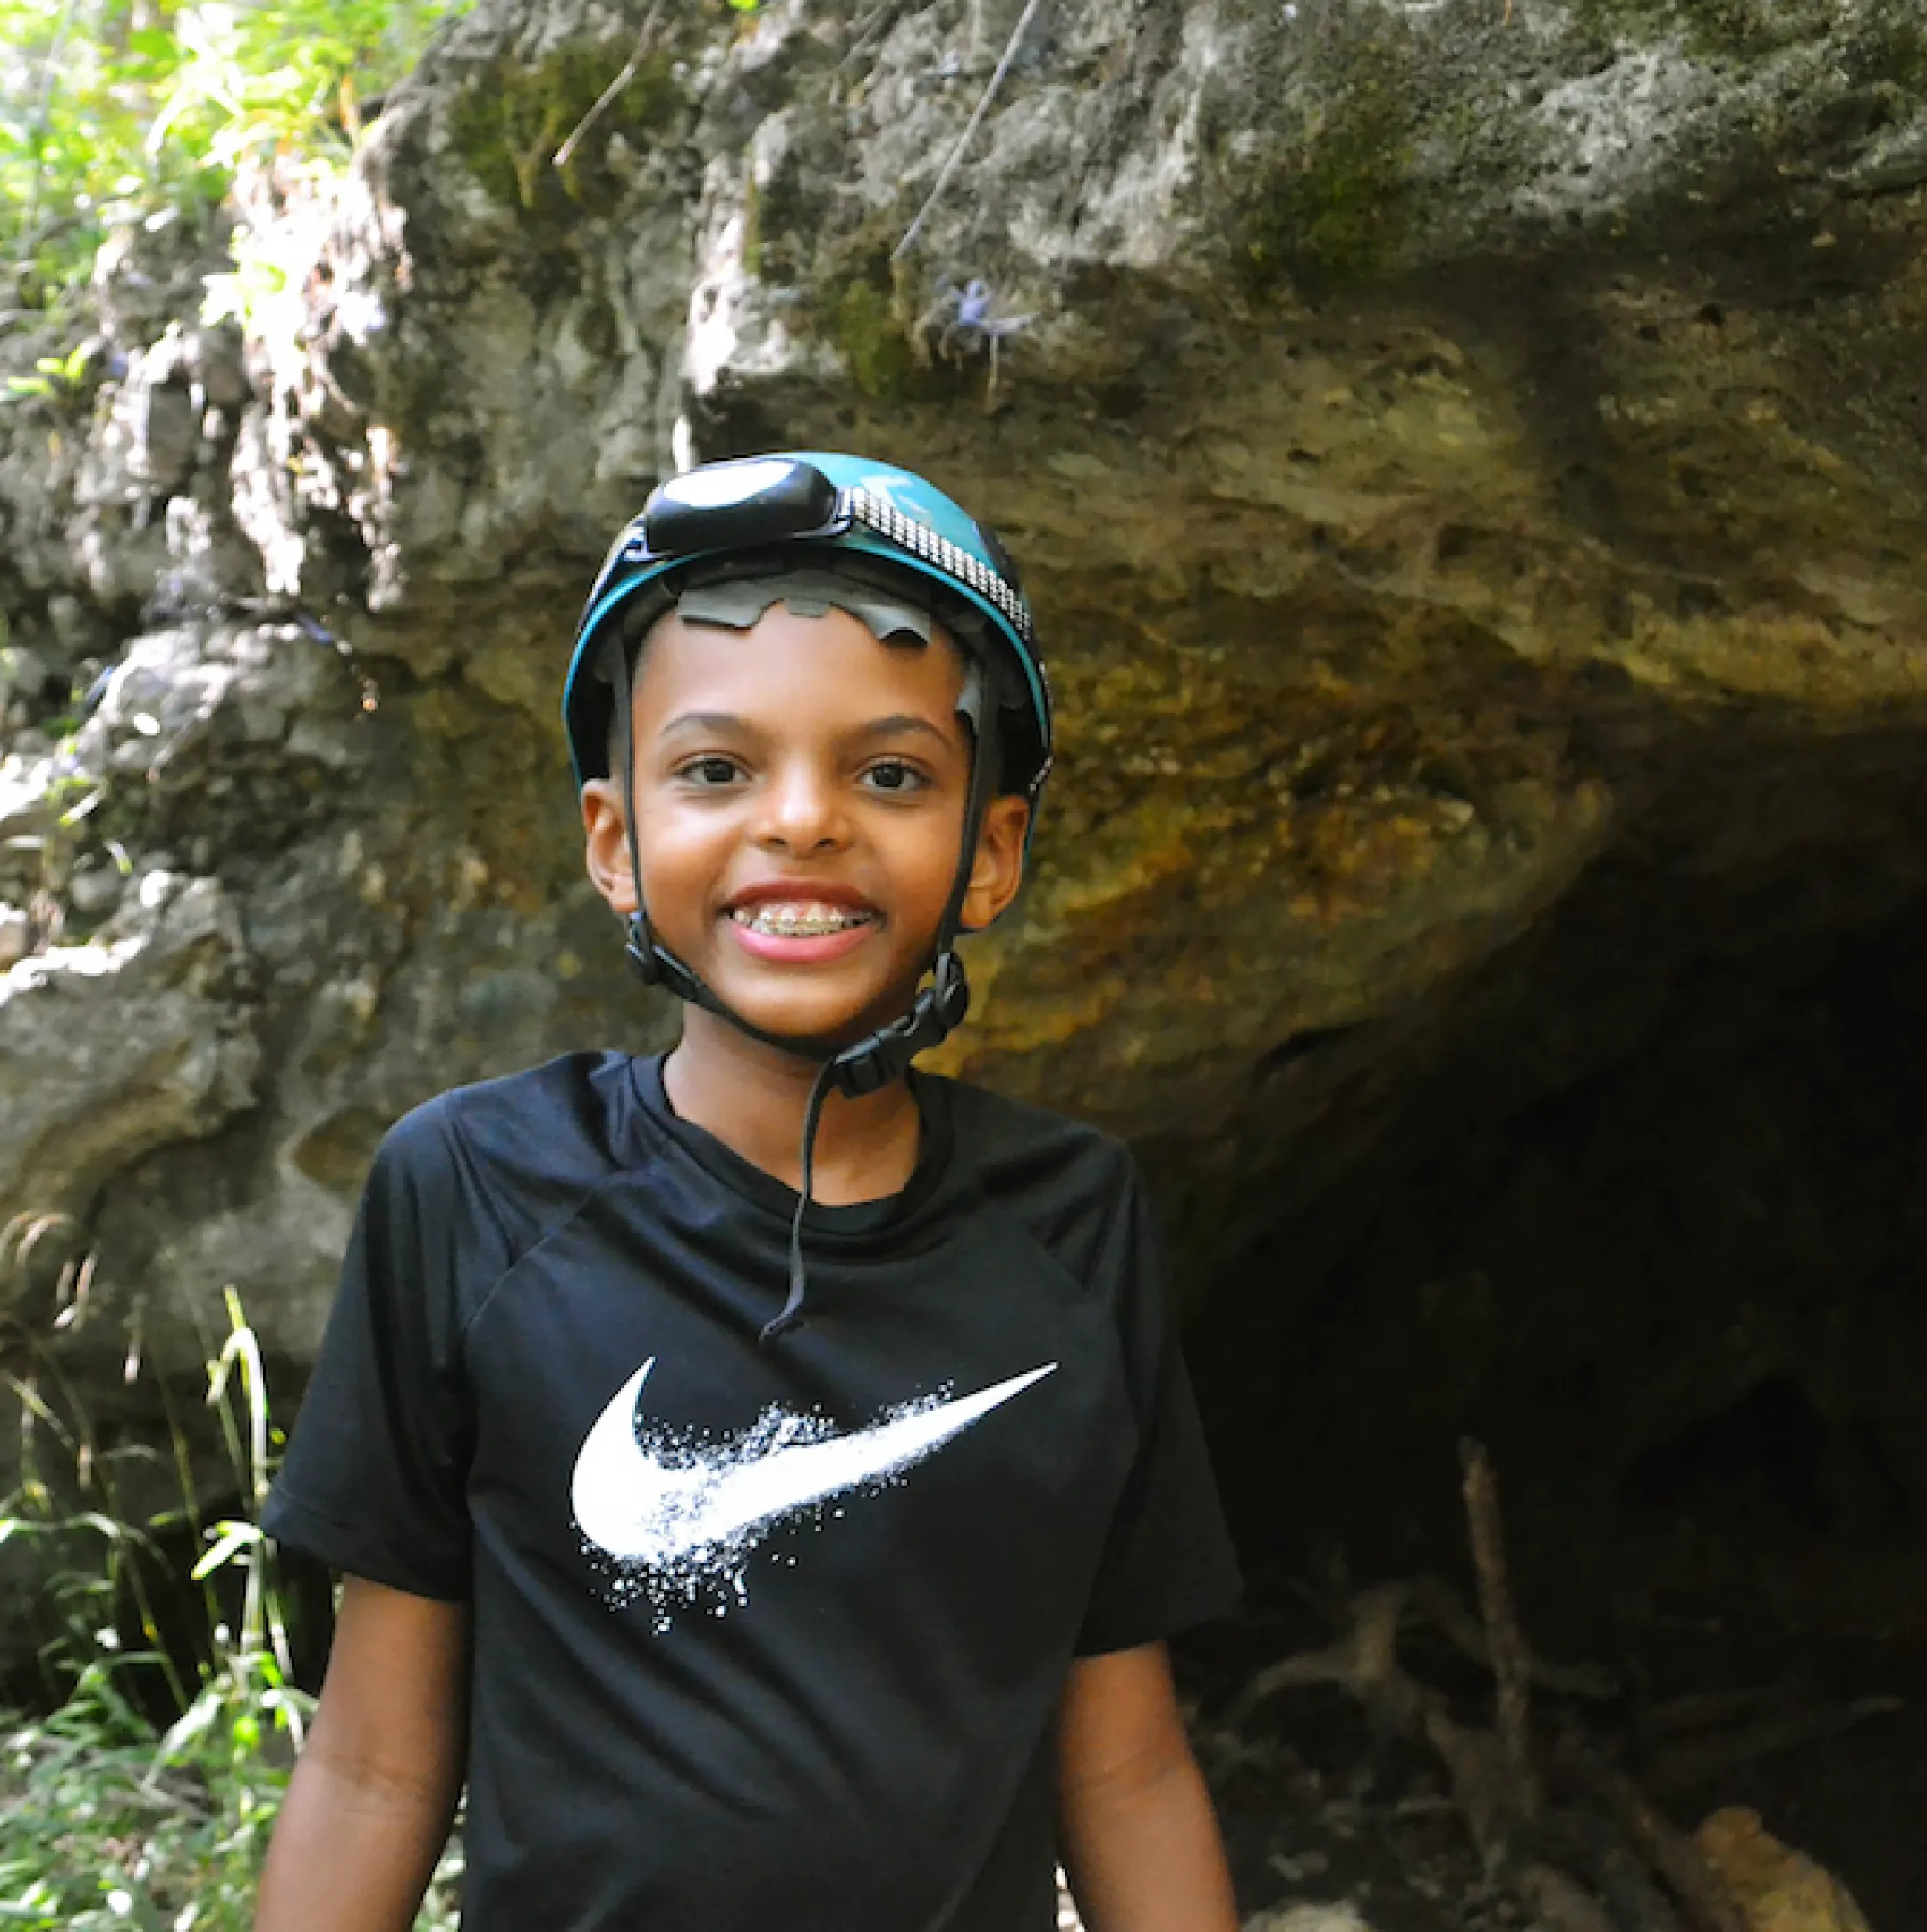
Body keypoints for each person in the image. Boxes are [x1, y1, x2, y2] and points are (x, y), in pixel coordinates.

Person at [252, 452, 1244, 1932]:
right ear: (615, 842)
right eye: (715, 770)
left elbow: (1128, 1771)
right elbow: (378, 1769)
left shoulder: (1072, 1224)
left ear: (992, 850)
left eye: (891, 774)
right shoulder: (474, 1192)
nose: (802, 822)